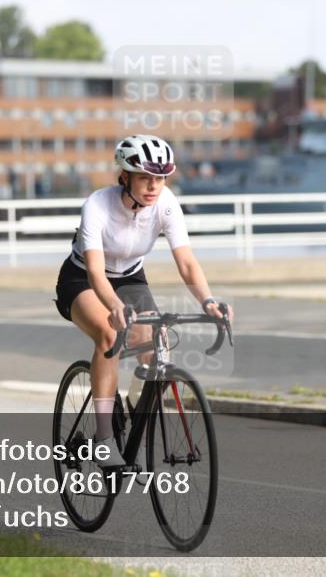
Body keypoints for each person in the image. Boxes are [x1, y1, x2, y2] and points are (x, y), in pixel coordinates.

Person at [54, 134, 227, 467]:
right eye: (145, 177)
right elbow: (95, 272)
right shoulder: (97, 205)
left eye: (160, 178)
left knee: (159, 344)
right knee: (109, 335)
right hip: (82, 278)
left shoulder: (166, 204)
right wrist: (115, 307)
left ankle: (137, 414)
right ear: (125, 176)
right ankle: (104, 438)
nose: (153, 186)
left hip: (130, 277)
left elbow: (187, 263)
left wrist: (208, 301)